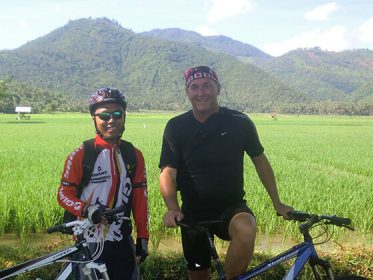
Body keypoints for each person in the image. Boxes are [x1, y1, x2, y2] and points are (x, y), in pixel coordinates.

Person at [159, 66, 294, 280]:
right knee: (198, 275)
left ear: (218, 89)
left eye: (207, 86)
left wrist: (277, 203)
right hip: (193, 213)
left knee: (246, 226)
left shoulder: (239, 122)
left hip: (231, 207)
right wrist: (172, 208)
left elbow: (260, 161)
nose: (201, 92)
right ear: (188, 92)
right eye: (194, 87)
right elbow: (168, 172)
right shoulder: (176, 126)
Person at [57, 88, 149, 279]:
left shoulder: (134, 155)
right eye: (104, 115)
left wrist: (143, 236)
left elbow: (140, 199)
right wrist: (87, 209)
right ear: (94, 118)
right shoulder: (82, 154)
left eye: (117, 114)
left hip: (122, 239)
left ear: (124, 116)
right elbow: (63, 195)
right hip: (89, 241)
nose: (111, 121)